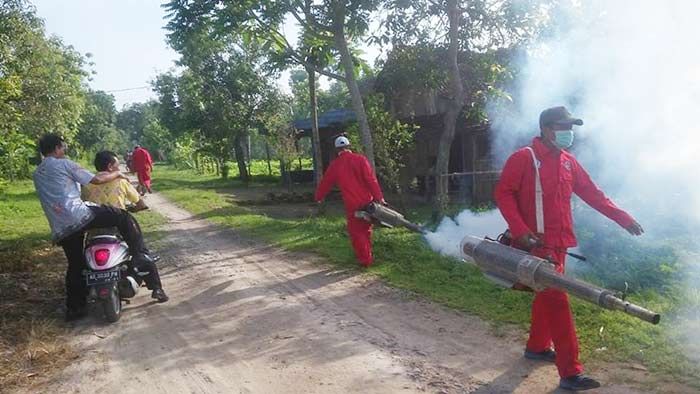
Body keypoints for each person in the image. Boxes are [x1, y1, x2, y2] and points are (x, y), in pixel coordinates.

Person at [494, 106, 644, 391]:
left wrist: (623, 218)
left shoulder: (567, 162)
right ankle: (570, 372)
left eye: (571, 128)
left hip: (559, 245)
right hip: (534, 246)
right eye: (565, 128)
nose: (569, 133)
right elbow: (503, 193)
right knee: (558, 302)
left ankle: (537, 347)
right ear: (548, 129)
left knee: (546, 297)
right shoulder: (525, 158)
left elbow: (593, 195)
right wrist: (520, 231)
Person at [33, 135, 168, 322]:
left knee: (76, 266)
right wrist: (119, 174)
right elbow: (96, 179)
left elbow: (88, 183)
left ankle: (75, 308)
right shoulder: (64, 164)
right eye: (62, 147)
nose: (64, 150)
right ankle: (139, 255)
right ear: (57, 148)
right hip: (79, 215)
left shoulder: (38, 172)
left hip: (60, 226)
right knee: (123, 217)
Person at [81, 151, 166, 298]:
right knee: (140, 252)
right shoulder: (120, 181)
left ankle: (84, 292)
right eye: (116, 164)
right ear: (109, 167)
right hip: (119, 226)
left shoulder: (87, 183)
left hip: (93, 227)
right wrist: (135, 208)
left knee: (83, 257)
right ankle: (156, 288)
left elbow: (83, 202)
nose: (118, 167)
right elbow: (140, 203)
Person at [314, 136, 386, 267]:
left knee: (356, 232)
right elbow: (371, 180)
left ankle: (365, 261)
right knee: (366, 230)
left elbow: (326, 183)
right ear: (349, 146)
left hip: (353, 205)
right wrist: (379, 197)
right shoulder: (361, 159)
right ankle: (367, 257)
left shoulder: (335, 165)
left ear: (337, 150)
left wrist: (318, 197)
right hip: (368, 203)